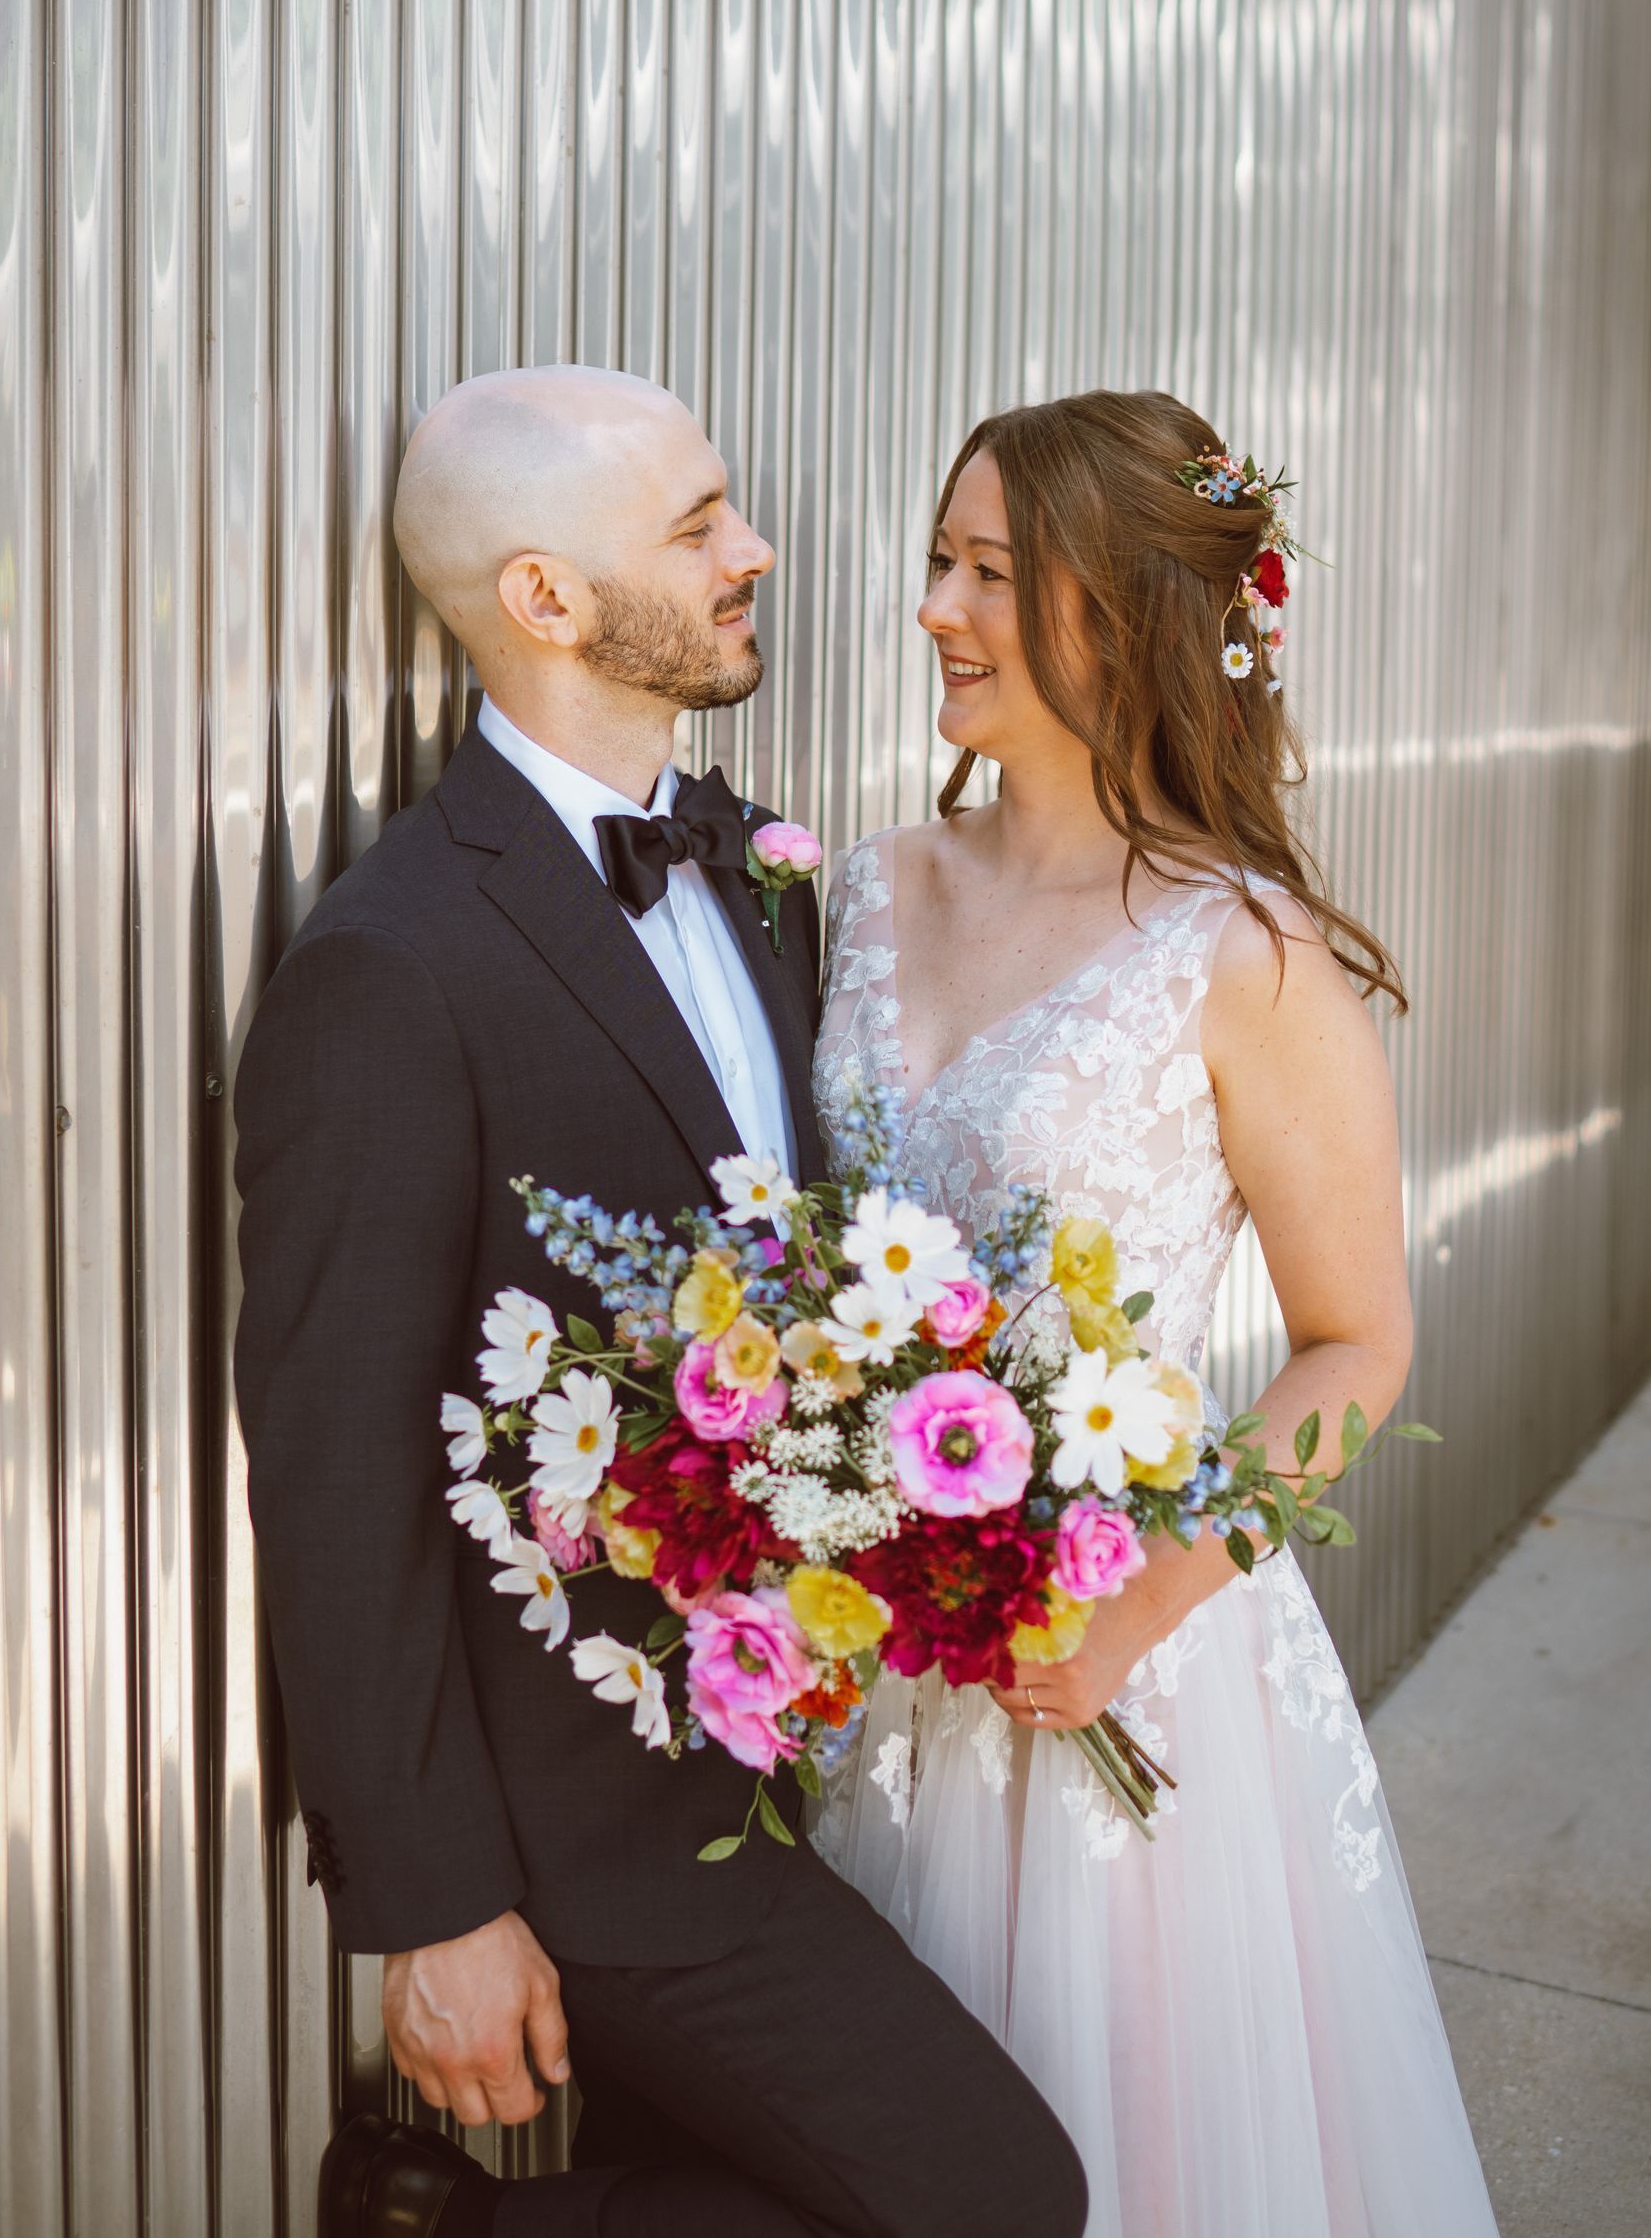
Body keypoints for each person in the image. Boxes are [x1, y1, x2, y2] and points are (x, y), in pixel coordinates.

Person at [232, 365, 1089, 2238]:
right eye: (699, 526)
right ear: (545, 599)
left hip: (811, 1748)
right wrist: (433, 1902)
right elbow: (334, 1468)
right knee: (999, 2195)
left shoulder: (771, 875)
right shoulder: (390, 964)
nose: (756, 550)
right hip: (593, 1828)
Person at [812, 390, 1499, 2238]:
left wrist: (1132, 1609)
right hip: (866, 1637)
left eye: (993, 575)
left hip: (1122, 1642)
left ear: (1122, 614)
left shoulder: (1245, 949)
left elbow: (1362, 1345)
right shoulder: (865, 892)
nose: (939, 608)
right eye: (940, 562)